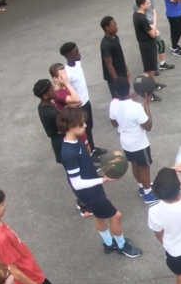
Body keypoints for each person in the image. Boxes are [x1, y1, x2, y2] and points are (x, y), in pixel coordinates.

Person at [57, 107, 143, 257]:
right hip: (90, 193)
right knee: (116, 216)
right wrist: (102, 179)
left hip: (90, 190)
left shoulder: (73, 141)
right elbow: (76, 182)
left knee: (99, 216)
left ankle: (109, 243)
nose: (85, 125)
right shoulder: (69, 153)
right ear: (71, 126)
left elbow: (84, 169)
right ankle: (121, 246)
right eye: (81, 123)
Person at [33, 79, 92, 218]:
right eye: (51, 90)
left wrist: (66, 109)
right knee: (74, 174)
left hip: (58, 143)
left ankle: (82, 199)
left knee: (74, 173)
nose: (54, 89)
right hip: (62, 144)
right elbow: (64, 127)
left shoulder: (43, 106)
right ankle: (84, 204)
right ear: (45, 96)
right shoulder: (51, 114)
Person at [109, 77, 157, 204]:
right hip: (139, 143)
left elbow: (114, 123)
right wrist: (146, 104)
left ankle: (142, 187)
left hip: (125, 143)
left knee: (134, 165)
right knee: (145, 168)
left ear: (115, 93)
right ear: (128, 88)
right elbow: (148, 126)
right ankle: (148, 195)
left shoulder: (113, 104)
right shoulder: (136, 107)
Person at [59, 42, 107, 158]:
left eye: (77, 50)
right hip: (79, 106)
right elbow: (66, 92)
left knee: (89, 127)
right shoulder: (67, 74)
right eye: (75, 52)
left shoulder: (77, 63)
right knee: (82, 131)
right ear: (68, 56)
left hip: (86, 102)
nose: (79, 53)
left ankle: (93, 148)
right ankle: (88, 154)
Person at [48, 63, 97, 162]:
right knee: (84, 149)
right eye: (62, 75)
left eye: (65, 73)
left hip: (76, 120)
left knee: (87, 146)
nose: (66, 77)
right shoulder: (58, 94)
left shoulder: (64, 87)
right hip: (72, 125)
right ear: (55, 79)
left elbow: (78, 102)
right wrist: (68, 84)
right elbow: (78, 100)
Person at [135, 0, 180, 67]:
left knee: (160, 43)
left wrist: (154, 26)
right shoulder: (137, 3)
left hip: (152, 25)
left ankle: (162, 64)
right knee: (152, 47)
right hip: (146, 27)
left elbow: (153, 11)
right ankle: (153, 66)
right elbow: (140, 18)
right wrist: (152, 29)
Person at [134, 0, 165, 102]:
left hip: (146, 45)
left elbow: (148, 28)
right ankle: (148, 93)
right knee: (148, 69)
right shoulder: (142, 18)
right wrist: (156, 32)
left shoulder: (136, 15)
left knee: (151, 67)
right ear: (142, 5)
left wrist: (153, 31)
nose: (149, 4)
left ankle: (154, 84)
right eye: (147, 3)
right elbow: (152, 34)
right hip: (147, 46)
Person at [100, 16, 132, 98]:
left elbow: (120, 55)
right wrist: (117, 80)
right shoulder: (106, 45)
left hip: (121, 72)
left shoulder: (115, 38)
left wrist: (126, 69)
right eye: (114, 26)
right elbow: (109, 64)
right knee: (118, 98)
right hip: (114, 77)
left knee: (126, 95)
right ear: (107, 28)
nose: (116, 27)